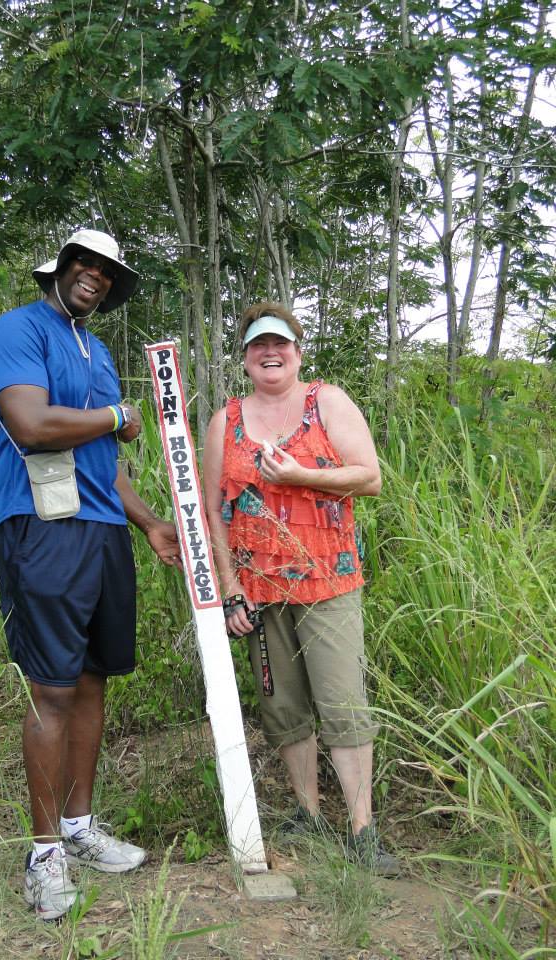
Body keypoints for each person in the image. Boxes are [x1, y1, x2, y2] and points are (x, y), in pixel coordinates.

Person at [0, 228, 182, 921]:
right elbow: (32, 423)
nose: (92, 277)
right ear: (59, 268)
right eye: (82, 265)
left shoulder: (95, 351)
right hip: (42, 527)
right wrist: (113, 414)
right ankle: (43, 855)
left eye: (105, 272)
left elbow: (106, 458)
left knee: (93, 678)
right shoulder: (19, 329)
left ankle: (79, 826)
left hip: (101, 532)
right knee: (53, 690)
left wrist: (149, 521)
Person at [203, 302, 400, 875]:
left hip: (329, 580)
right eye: (259, 345)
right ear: (244, 358)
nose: (271, 353)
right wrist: (232, 588)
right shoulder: (227, 421)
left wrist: (299, 476)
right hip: (260, 593)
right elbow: (215, 512)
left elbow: (369, 477)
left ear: (297, 350)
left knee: (342, 699)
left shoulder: (326, 402)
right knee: (283, 705)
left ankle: (362, 827)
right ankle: (307, 813)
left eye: (281, 343)